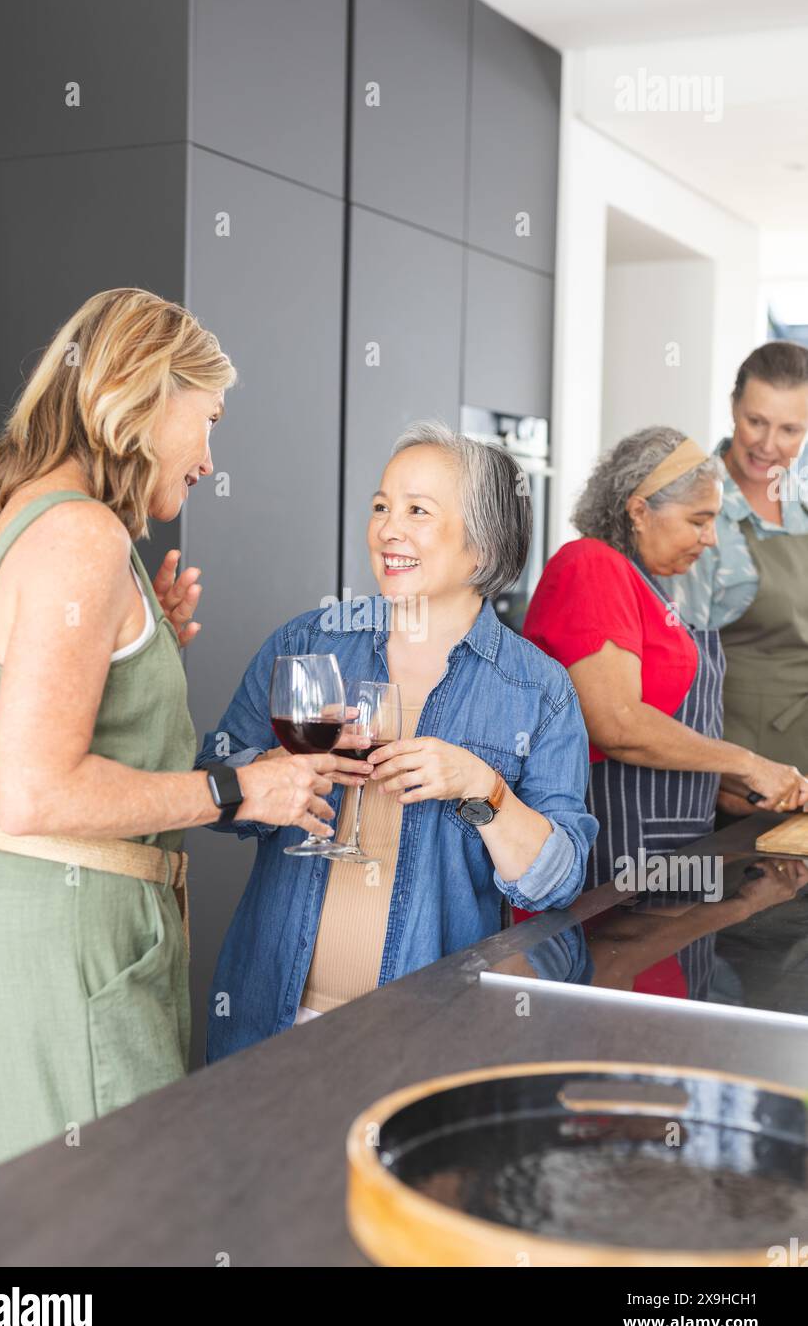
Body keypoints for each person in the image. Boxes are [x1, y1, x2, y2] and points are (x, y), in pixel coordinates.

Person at [0, 287, 341, 1189]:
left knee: (5, 1220)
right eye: (207, 420)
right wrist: (241, 789)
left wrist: (129, 641)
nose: (208, 456)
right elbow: (37, 790)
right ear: (145, 396)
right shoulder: (81, 536)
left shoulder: (8, 525)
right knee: (97, 1224)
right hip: (64, 941)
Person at [198, 420, 598, 1058]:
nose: (388, 528)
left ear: (482, 548)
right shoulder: (308, 642)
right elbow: (213, 790)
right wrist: (279, 769)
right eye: (381, 507)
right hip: (268, 1024)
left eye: (418, 511)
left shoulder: (538, 690)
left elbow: (556, 881)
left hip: (430, 1042)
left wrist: (483, 789)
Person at [523, 427, 808, 892]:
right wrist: (749, 764)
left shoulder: (650, 587)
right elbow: (617, 724)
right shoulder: (592, 565)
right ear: (639, 510)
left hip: (670, 849)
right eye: (699, 520)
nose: (710, 539)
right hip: (616, 846)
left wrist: (735, 791)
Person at [659, 342, 808, 814]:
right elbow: (671, 661)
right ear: (732, 407)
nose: (768, 445)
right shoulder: (694, 508)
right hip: (740, 774)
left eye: (790, 429)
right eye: (756, 421)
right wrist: (726, 781)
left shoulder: (802, 505)